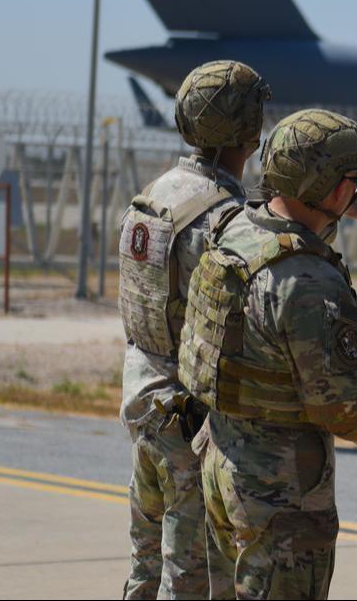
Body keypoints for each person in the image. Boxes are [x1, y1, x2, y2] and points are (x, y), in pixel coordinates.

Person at [179, 108, 357, 600]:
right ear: (336, 190)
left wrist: (333, 207)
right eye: (352, 185)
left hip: (222, 460)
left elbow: (285, 236)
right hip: (282, 494)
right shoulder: (311, 283)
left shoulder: (234, 232)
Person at [116, 59, 270, 599]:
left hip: (144, 401)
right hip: (191, 422)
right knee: (194, 581)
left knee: (145, 569)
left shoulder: (156, 194)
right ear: (249, 134)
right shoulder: (223, 219)